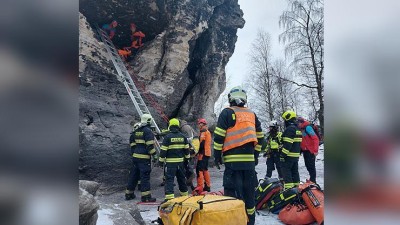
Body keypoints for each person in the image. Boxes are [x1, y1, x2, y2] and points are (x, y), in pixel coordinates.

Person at [213, 86, 264, 225]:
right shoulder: (252, 114)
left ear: (230, 98)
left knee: (233, 196)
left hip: (232, 164)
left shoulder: (227, 113)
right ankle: (250, 222)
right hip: (249, 164)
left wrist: (216, 156)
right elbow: (261, 137)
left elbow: (219, 137)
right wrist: (255, 155)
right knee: (249, 196)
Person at [126, 114, 157, 202]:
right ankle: (146, 197)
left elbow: (134, 144)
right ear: (149, 121)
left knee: (134, 175)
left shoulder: (137, 130)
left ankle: (129, 194)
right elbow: (150, 146)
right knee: (145, 176)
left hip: (136, 157)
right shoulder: (148, 131)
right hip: (144, 158)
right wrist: (154, 155)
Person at [159, 118, 190, 201]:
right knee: (181, 179)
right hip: (180, 163)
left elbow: (163, 151)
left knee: (169, 180)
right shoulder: (183, 137)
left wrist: (160, 162)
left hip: (170, 164)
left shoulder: (167, 137)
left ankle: (169, 198)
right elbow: (187, 151)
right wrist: (187, 160)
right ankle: (185, 196)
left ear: (170, 126)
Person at [280, 110, 302, 190]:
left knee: (287, 174)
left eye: (285, 120)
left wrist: (282, 155)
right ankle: (297, 189)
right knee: (295, 173)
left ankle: (290, 192)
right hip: (295, 156)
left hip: (288, 156)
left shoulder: (290, 129)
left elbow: (288, 144)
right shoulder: (297, 129)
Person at [297, 117, 319, 183]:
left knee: (311, 166)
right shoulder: (301, 129)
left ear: (301, 122)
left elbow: (315, 139)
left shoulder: (308, 128)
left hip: (310, 150)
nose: (297, 125)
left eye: (298, 123)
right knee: (307, 165)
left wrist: (315, 150)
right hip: (305, 150)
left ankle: (313, 181)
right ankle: (312, 179)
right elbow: (303, 141)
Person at [194, 118, 212, 193]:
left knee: (199, 170)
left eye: (199, 124)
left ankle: (200, 187)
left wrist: (196, 152)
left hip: (203, 153)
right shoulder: (207, 131)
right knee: (205, 169)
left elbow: (201, 144)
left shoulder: (203, 132)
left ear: (202, 124)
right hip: (207, 153)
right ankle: (207, 186)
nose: (198, 125)